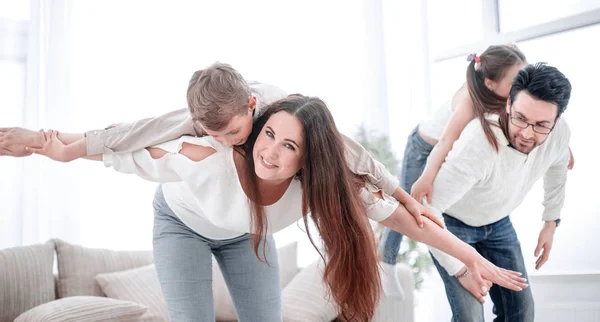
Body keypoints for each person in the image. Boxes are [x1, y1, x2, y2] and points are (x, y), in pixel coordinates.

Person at [29, 94, 528, 322]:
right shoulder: (206, 155)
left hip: (247, 235)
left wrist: (473, 258)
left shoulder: (322, 186)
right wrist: (55, 146)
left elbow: (410, 221)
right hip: (181, 224)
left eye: (290, 146)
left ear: (308, 159)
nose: (270, 151)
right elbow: (125, 146)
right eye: (269, 134)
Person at [378, 45, 572, 296]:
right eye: (515, 81)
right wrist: (426, 176)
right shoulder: (469, 105)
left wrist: (559, 144)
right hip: (426, 146)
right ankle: (387, 262)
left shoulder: (519, 102)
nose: (520, 85)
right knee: (405, 208)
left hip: (452, 149)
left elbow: (548, 132)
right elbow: (446, 141)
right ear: (492, 85)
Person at [422, 63, 572, 321]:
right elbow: (426, 213)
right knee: (470, 316)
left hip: (498, 223)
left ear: (556, 121)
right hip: (450, 225)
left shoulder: (559, 133)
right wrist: (461, 270)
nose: (526, 134)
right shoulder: (478, 143)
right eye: (520, 118)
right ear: (508, 105)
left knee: (521, 312)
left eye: (540, 125)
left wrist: (551, 222)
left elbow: (558, 168)